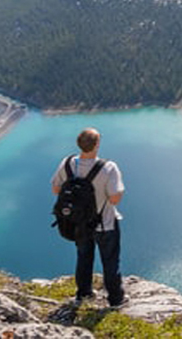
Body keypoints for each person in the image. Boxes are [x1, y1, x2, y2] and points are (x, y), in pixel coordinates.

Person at [50, 127, 126, 307]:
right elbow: (115, 199)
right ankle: (115, 299)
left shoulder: (67, 163)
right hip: (104, 224)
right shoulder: (108, 167)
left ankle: (83, 295)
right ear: (97, 144)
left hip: (79, 224)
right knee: (110, 261)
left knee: (84, 257)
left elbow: (55, 189)